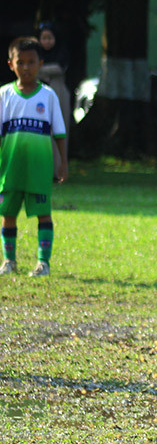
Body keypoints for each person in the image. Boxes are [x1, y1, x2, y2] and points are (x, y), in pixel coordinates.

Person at [1, 37, 68, 278]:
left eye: (31, 62)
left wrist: (63, 163)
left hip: (39, 168)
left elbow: (59, 132)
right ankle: (9, 261)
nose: (26, 67)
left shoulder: (48, 96)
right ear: (11, 64)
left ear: (41, 63)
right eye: (21, 62)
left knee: (43, 214)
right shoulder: (4, 95)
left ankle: (43, 263)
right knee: (7, 215)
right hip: (9, 169)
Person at [37, 23, 72, 138]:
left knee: (58, 131)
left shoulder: (61, 53)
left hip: (58, 94)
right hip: (39, 96)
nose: (47, 42)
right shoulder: (36, 54)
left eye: (50, 38)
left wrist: (39, 71)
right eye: (44, 38)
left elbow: (58, 68)